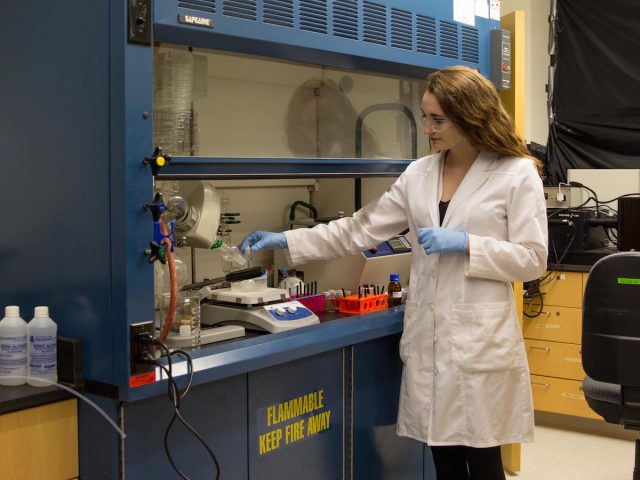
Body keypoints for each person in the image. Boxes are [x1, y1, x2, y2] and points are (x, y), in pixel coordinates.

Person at [240, 65, 548, 479]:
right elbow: (359, 230)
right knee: (446, 461)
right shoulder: (419, 174)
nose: (428, 128)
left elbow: (532, 258)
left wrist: (468, 244)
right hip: (431, 339)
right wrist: (288, 240)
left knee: (486, 462)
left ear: (470, 115)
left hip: (481, 343)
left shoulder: (515, 173)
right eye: (425, 117)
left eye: (438, 119)